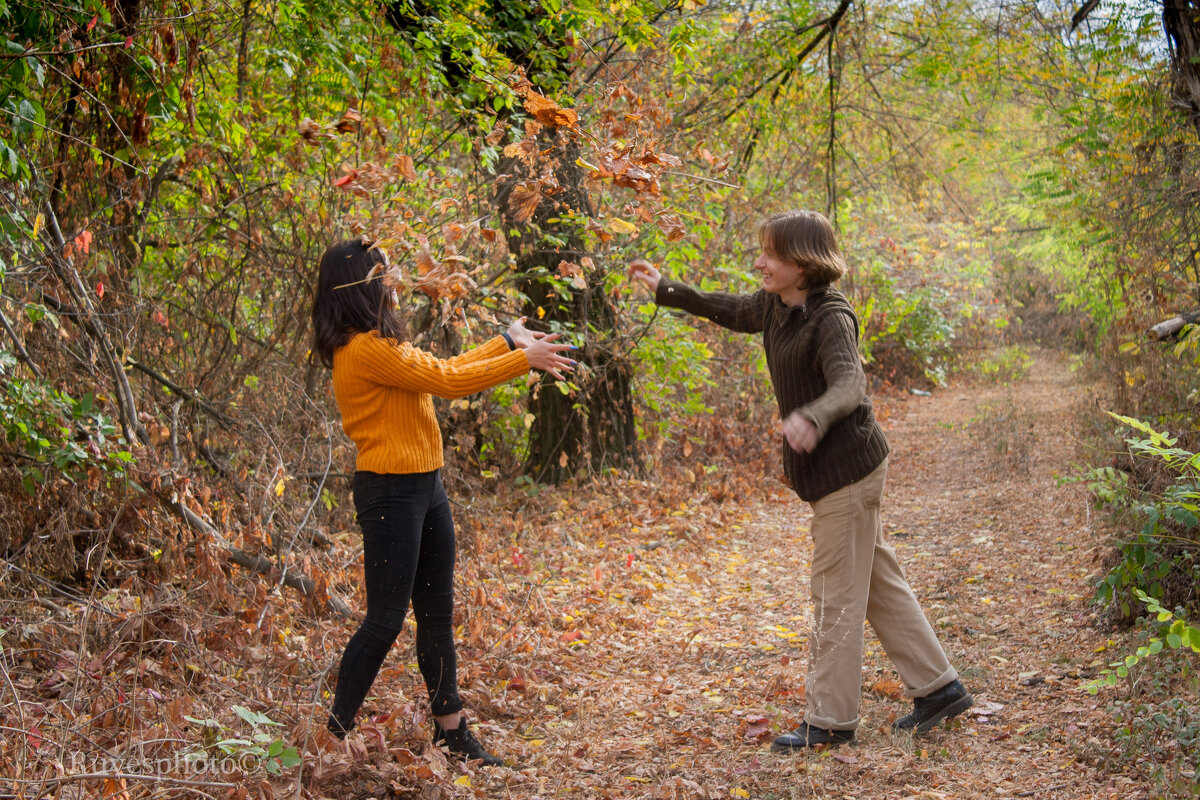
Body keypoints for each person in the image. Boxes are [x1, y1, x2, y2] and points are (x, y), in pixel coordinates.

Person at [628, 210, 972, 749]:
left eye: (772, 254)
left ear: (804, 263)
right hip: (838, 474)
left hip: (847, 472)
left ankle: (830, 721)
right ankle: (940, 688)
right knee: (876, 581)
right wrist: (668, 290)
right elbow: (733, 309)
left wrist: (814, 415)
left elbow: (850, 383)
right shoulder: (776, 304)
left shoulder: (831, 316)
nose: (760, 262)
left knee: (835, 592)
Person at [311, 238, 574, 765]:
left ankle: (451, 733)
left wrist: (505, 341)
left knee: (436, 613)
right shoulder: (364, 350)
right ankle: (328, 739)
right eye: (383, 276)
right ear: (360, 287)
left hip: (424, 486)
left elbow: (439, 370)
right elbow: (449, 381)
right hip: (389, 491)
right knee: (384, 621)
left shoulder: (376, 345)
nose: (393, 284)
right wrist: (521, 359)